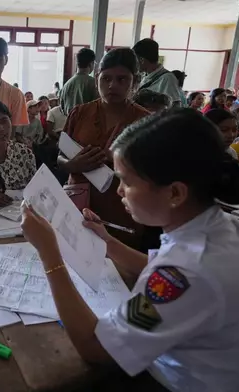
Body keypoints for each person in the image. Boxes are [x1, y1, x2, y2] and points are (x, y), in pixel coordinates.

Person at [21, 108, 239, 392]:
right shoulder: (220, 226)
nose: (119, 192)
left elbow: (96, 348)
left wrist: (50, 255)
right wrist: (109, 243)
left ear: (175, 193)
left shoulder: (185, 272)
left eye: (127, 182)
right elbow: (158, 266)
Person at [57, 48, 151, 248]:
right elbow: (59, 157)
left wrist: (119, 160)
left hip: (120, 207)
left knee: (117, 266)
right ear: (97, 78)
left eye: (121, 79)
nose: (112, 85)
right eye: (106, 78)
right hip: (79, 202)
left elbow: (154, 171)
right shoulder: (80, 113)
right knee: (77, 259)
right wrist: (73, 164)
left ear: (135, 81)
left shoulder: (145, 121)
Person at [133, 38, 182, 106]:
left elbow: (175, 107)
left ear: (141, 60)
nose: (134, 64)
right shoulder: (144, 76)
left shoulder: (167, 78)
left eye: (135, 60)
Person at [60, 48, 98, 115]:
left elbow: (62, 109)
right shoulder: (93, 83)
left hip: (70, 123)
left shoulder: (66, 85)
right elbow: (98, 107)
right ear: (91, 64)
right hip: (87, 124)